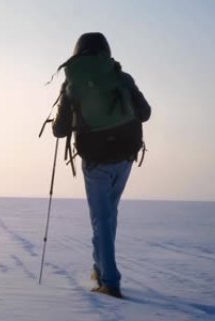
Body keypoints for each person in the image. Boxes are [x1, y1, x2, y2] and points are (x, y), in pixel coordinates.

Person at [52, 32, 151, 298]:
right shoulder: (122, 78)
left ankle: (109, 280)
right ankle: (100, 268)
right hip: (125, 156)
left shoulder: (72, 85)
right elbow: (145, 113)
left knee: (102, 218)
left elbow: (60, 131)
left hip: (95, 160)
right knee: (108, 216)